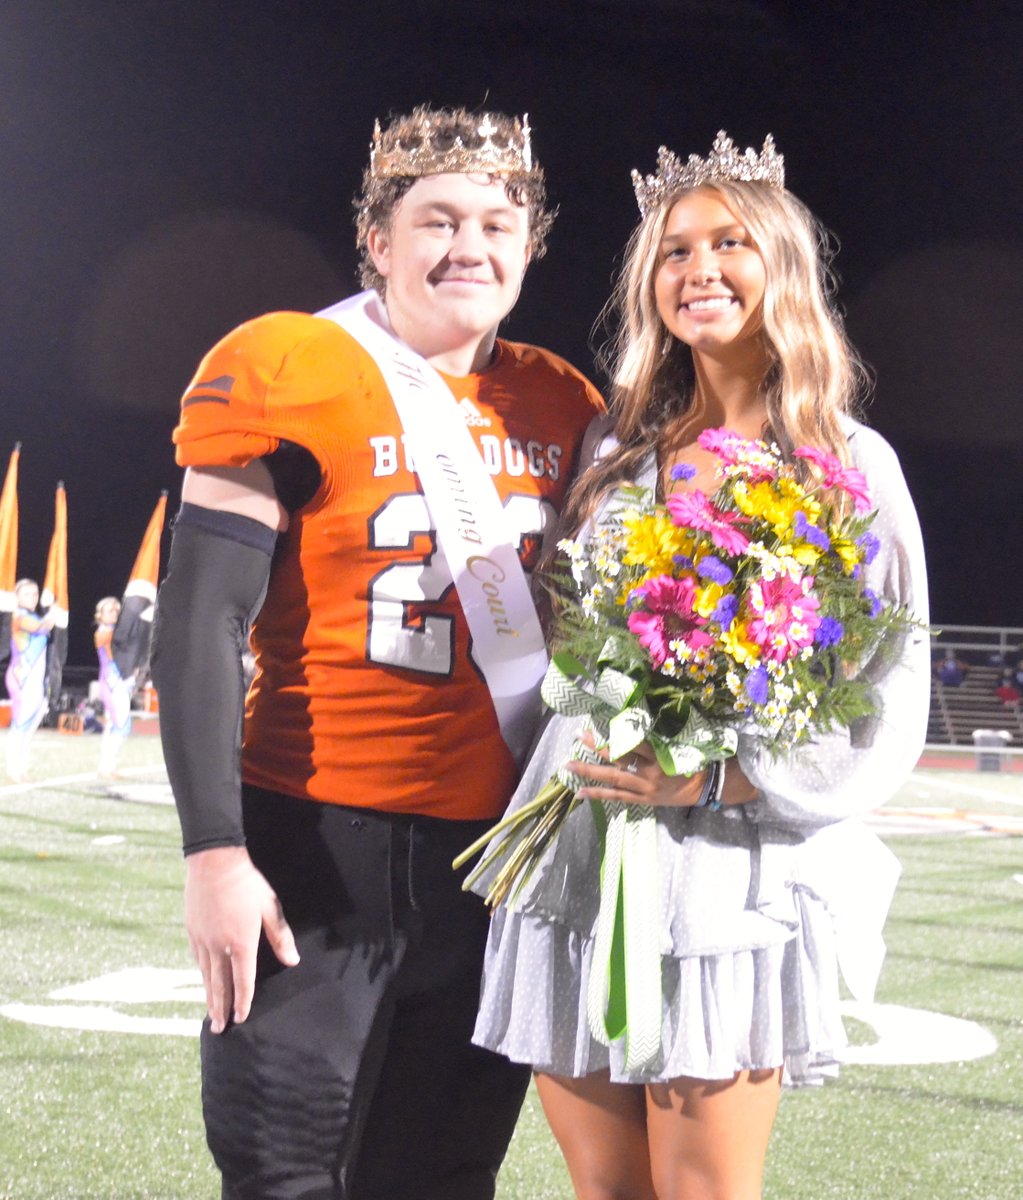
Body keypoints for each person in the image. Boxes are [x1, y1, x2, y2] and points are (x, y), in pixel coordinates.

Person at [150, 105, 603, 1200]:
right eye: (437, 219)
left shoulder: (564, 401)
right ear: (378, 241)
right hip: (315, 843)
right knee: (284, 1171)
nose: (470, 247)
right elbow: (199, 618)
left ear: (530, 248)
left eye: (499, 224)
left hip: (493, 862)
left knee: (445, 1176)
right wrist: (214, 852)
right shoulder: (287, 362)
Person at [471, 132, 931, 1200]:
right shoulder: (612, 450)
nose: (700, 270)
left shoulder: (853, 467)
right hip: (579, 845)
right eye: (674, 251)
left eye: (730, 243)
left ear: (783, 266)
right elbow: (568, 638)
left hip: (727, 867)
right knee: (608, 1192)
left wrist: (727, 777)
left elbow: (886, 688)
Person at [4, 578, 57, 782]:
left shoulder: (32, 616)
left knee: (30, 726)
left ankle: (22, 767)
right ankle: (12, 769)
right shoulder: (19, 617)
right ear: (17, 597)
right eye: (27, 594)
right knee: (20, 724)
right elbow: (42, 627)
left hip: (35, 680)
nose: (33, 597)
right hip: (22, 678)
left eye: (35, 593)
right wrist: (55, 608)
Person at [93, 596, 132, 778]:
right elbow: (118, 651)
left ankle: (106, 766)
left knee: (113, 725)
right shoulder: (103, 633)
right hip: (111, 681)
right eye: (110, 610)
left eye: (117, 610)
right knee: (121, 723)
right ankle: (106, 765)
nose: (115, 613)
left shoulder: (113, 632)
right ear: (99, 615)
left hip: (116, 681)